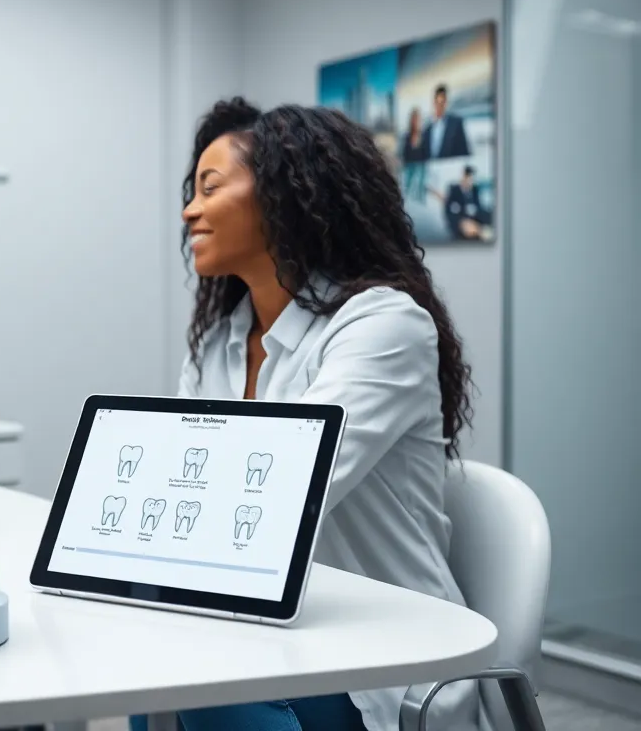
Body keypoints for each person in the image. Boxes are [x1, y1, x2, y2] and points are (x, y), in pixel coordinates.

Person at [133, 98, 484, 731]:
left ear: (278, 196)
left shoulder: (382, 326)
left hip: (381, 667)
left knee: (192, 687)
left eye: (209, 188)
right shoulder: (220, 342)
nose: (189, 209)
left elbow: (276, 496)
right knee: (143, 680)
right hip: (273, 633)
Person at [421, 84, 470, 159]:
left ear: (446, 102)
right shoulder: (427, 127)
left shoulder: (456, 123)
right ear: (434, 102)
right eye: (437, 103)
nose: (439, 107)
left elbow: (464, 151)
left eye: (442, 103)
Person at [444, 165, 487, 241]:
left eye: (471, 178)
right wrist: (461, 223)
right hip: (460, 228)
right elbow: (448, 212)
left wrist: (476, 223)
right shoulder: (454, 190)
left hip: (474, 226)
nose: (469, 181)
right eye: (467, 177)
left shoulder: (475, 190)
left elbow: (479, 208)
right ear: (463, 176)